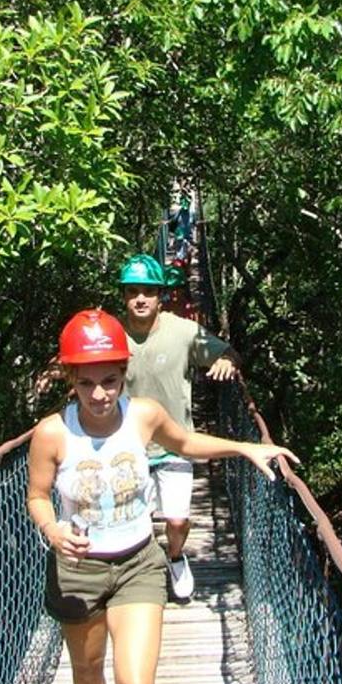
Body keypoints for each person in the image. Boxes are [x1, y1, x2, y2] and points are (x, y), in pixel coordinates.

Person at [27, 309, 297, 684]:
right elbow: (38, 497)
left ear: (123, 372)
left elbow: (186, 442)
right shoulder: (52, 433)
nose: (99, 395)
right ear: (71, 380)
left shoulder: (144, 415)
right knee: (88, 666)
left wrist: (245, 448)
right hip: (77, 571)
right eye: (86, 383)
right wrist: (52, 530)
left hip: (138, 564)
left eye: (110, 381)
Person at [117, 254, 240, 601]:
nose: (140, 298)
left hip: (175, 445)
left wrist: (225, 361)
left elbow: (229, 352)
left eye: (148, 291)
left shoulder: (184, 331)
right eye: (132, 291)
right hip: (126, 447)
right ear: (124, 296)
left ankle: (174, 556)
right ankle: (138, 578)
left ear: (161, 296)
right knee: (134, 523)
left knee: (176, 520)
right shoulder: (111, 334)